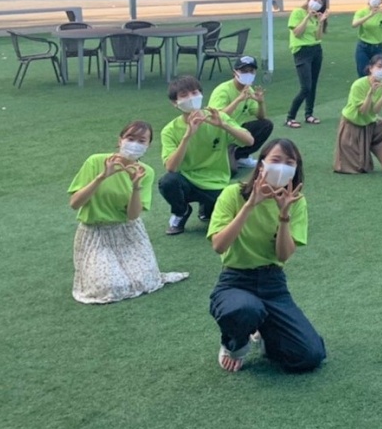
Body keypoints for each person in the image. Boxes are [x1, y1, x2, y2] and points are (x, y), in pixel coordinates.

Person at [208, 138, 326, 372]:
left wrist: (284, 215)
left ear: (296, 169)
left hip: (273, 283)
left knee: (309, 356)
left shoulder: (296, 202)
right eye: (276, 160)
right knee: (243, 309)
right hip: (235, 280)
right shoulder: (233, 193)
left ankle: (266, 334)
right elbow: (219, 246)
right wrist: (250, 205)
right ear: (261, 164)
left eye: (289, 162)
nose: (282, 167)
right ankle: (235, 344)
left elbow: (282, 255)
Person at [67, 120, 189, 304]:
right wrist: (102, 177)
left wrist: (135, 186)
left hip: (128, 232)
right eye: (130, 138)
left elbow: (132, 216)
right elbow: (75, 203)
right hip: (96, 232)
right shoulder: (95, 161)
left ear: (148, 146)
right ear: (120, 140)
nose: (134, 144)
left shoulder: (145, 172)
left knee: (144, 281)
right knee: (112, 286)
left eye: (141, 141)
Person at [160, 76, 254, 235]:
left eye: (194, 93)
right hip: (188, 181)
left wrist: (224, 125)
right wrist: (187, 137)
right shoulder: (170, 130)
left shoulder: (218, 117)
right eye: (184, 95)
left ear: (201, 94)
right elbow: (171, 167)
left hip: (216, 181)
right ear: (175, 103)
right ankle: (181, 211)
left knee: (228, 213)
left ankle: (207, 207)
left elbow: (249, 141)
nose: (191, 98)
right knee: (168, 182)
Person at [334, 54, 382, 175]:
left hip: (370, 123)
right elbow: (363, 110)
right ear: (370, 68)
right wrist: (370, 94)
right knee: (359, 167)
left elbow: (375, 111)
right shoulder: (358, 84)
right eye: (379, 66)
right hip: (352, 124)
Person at [207, 55, 274, 170]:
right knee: (231, 172)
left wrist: (260, 102)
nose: (248, 74)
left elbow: (261, 117)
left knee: (266, 125)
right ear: (235, 72)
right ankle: (223, 153)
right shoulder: (223, 90)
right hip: (221, 132)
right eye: (244, 71)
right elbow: (217, 118)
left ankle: (240, 156)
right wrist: (238, 100)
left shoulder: (249, 90)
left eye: (251, 71)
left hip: (236, 130)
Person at [285, 0, 329, 128]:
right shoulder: (298, 12)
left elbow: (318, 37)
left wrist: (320, 22)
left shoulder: (317, 16)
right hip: (302, 51)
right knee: (306, 87)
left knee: (313, 85)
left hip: (316, 50)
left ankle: (309, 114)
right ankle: (290, 117)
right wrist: (307, 17)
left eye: (320, 2)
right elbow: (297, 33)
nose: (316, 3)